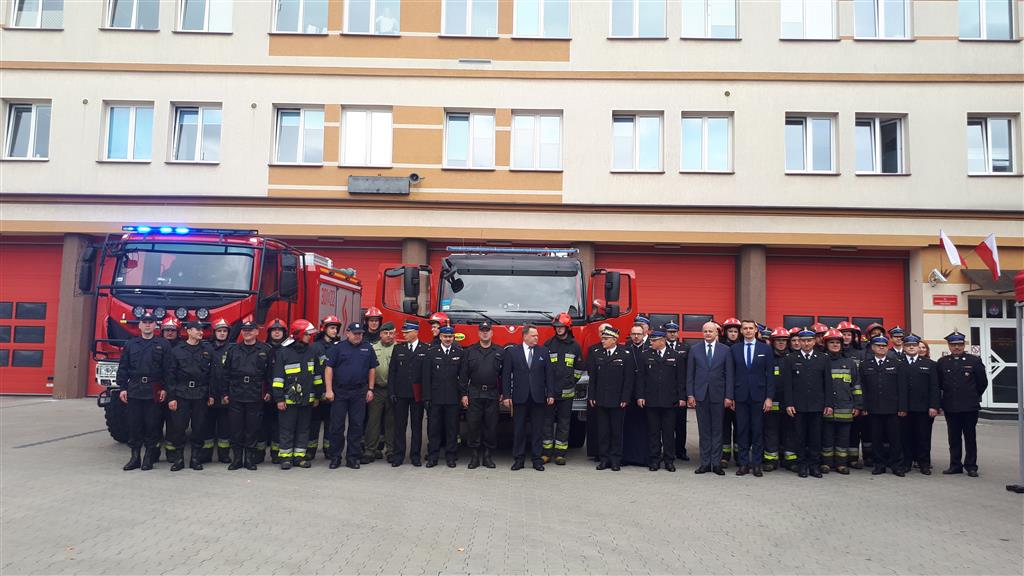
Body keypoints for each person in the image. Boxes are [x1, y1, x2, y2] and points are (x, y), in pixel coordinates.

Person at [116, 311, 171, 471]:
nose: (147, 325)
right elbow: (123, 368)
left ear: (155, 325)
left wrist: (165, 389)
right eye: (144, 322)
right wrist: (122, 388)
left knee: (152, 425)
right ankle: (135, 457)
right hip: (134, 389)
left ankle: (148, 457)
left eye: (151, 322)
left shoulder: (163, 344)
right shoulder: (130, 344)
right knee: (134, 425)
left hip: (154, 389)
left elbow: (168, 369)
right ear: (139, 325)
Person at [221, 318, 273, 470]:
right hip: (236, 393)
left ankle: (249, 459)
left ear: (257, 332)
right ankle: (237, 459)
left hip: (255, 394)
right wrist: (224, 393)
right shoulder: (233, 350)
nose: (247, 333)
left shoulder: (265, 350)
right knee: (235, 428)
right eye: (244, 331)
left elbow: (270, 374)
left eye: (250, 331)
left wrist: (269, 391)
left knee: (252, 428)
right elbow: (225, 374)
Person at [324, 322, 378, 470]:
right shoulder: (338, 348)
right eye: (355, 333)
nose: (358, 336)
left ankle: (353, 458)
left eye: (360, 333)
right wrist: (329, 390)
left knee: (357, 426)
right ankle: (335, 457)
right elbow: (329, 369)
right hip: (340, 392)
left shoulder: (367, 348)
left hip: (359, 392)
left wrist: (371, 389)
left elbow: (372, 369)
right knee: (337, 426)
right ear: (348, 333)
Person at [503, 324, 555, 471]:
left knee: (537, 430)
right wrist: (507, 395)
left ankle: (537, 459)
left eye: (537, 335)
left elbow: (549, 375)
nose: (537, 337)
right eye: (534, 335)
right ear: (525, 336)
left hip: (538, 397)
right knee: (519, 429)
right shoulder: (513, 352)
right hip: (520, 397)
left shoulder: (543, 351)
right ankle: (519, 459)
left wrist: (550, 393)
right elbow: (506, 375)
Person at [272, 319, 323, 470]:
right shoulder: (283, 352)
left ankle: (299, 457)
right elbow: (278, 378)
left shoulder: (312, 350)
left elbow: (317, 376)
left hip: (307, 399)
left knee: (303, 428)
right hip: (289, 400)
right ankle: (286, 458)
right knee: (287, 429)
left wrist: (317, 396)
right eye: (307, 334)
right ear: (299, 334)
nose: (310, 337)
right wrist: (279, 398)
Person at [937, 331, 988, 477]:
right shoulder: (943, 362)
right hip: (951, 406)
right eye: (953, 345)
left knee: (970, 437)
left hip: (969, 406)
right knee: (953, 437)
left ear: (964, 345)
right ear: (949, 346)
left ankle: (971, 466)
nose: (956, 347)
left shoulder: (974, 361)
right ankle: (955, 465)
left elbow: (982, 383)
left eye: (959, 344)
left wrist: (972, 395)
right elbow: (939, 384)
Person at [783, 328, 832, 478]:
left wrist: (828, 404)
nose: (805, 343)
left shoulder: (823, 358)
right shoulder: (790, 358)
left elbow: (828, 384)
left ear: (814, 341)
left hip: (817, 406)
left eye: (809, 340)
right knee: (800, 437)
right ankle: (802, 465)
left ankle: (815, 466)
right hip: (798, 406)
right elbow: (788, 385)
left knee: (815, 437)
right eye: (803, 340)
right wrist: (789, 403)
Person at [165, 321, 214, 472]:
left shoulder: (208, 349)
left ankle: (195, 459)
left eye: (202, 329)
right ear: (188, 331)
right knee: (179, 428)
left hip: (200, 394)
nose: (201, 332)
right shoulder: (177, 350)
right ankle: (179, 459)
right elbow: (170, 375)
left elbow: (213, 375)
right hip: (181, 393)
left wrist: (211, 394)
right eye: (197, 329)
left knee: (199, 427)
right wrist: (171, 397)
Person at [687, 321, 734, 476]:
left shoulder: (725, 350)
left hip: (719, 396)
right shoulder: (694, 349)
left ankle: (716, 463)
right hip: (700, 395)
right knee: (704, 431)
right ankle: (705, 463)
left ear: (716, 333)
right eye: (705, 331)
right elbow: (690, 375)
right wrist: (690, 394)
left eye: (710, 331)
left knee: (717, 430)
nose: (707, 334)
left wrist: (729, 396)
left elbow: (729, 375)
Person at [636, 330, 685, 471]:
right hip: (651, 400)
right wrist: (640, 396)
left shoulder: (676, 356)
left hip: (670, 400)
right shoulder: (645, 355)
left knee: (669, 432)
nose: (650, 343)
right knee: (653, 432)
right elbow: (641, 379)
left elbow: (680, 379)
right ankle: (654, 460)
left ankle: (669, 460)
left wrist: (682, 397)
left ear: (662, 341)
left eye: (653, 340)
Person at [730, 320, 774, 477]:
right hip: (740, 396)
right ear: (741, 331)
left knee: (757, 430)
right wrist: (731, 396)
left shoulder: (766, 349)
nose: (748, 331)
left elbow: (770, 375)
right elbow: (731, 375)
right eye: (745, 328)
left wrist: (769, 397)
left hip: (759, 397)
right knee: (741, 430)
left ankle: (756, 464)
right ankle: (743, 464)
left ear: (756, 330)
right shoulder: (734, 349)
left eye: (751, 328)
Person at [860, 335, 908, 476]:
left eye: (884, 346)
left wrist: (902, 407)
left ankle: (896, 465)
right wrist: (864, 407)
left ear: (887, 347)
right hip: (873, 409)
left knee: (895, 439)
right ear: (873, 348)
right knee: (876, 439)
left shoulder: (897, 364)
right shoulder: (865, 365)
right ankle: (879, 465)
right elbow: (863, 388)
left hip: (893, 409)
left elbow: (902, 388)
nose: (881, 348)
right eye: (878, 346)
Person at [587, 326, 633, 471]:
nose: (603, 341)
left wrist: (625, 397)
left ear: (614, 340)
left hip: (618, 400)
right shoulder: (597, 354)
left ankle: (615, 460)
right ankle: (604, 459)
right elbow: (593, 378)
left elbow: (628, 380)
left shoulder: (625, 354)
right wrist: (592, 395)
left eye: (606, 339)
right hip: (601, 399)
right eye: (602, 338)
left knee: (616, 432)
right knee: (603, 432)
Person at [460, 322, 503, 469]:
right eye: (482, 331)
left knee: (491, 426)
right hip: (474, 393)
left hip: (492, 393)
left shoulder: (499, 351)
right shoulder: (470, 351)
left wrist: (503, 393)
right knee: (473, 426)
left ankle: (487, 456)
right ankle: (474, 457)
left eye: (487, 331)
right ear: (478, 333)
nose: (485, 333)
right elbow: (463, 375)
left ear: (492, 333)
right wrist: (464, 394)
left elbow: (503, 376)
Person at [541, 313, 583, 465]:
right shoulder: (548, 344)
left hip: (567, 393)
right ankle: (546, 453)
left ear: (567, 327)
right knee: (547, 423)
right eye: (557, 327)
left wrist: (571, 382)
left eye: (561, 327)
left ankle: (560, 454)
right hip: (550, 393)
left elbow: (578, 369)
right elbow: (543, 369)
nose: (559, 329)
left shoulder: (575, 346)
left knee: (564, 423)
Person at [821, 329, 862, 475]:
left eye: (837, 342)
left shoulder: (849, 363)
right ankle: (826, 463)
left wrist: (858, 405)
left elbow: (856, 385)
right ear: (826, 344)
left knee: (843, 439)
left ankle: (841, 464)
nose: (835, 345)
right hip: (827, 408)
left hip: (846, 407)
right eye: (831, 342)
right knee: (827, 437)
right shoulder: (821, 361)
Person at [423, 326, 464, 468]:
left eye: (450, 337)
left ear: (453, 338)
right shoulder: (432, 352)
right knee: (434, 428)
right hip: (436, 398)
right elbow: (426, 377)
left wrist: (462, 396)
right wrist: (427, 398)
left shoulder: (459, 352)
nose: (448, 339)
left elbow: (462, 377)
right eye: (445, 337)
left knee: (452, 429)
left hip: (453, 398)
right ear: (440, 337)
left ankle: (451, 456)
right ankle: (433, 456)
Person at [389, 321, 428, 467]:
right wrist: (392, 391)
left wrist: (426, 395)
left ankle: (415, 455)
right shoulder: (398, 349)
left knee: (416, 426)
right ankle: (398, 455)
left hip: (418, 394)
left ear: (416, 332)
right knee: (399, 426)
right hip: (401, 393)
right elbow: (392, 372)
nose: (404, 334)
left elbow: (426, 375)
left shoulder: (425, 348)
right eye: (404, 332)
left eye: (407, 332)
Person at [901, 335, 940, 475]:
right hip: (905, 408)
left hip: (924, 408)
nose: (911, 347)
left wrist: (934, 406)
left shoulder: (929, 364)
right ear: (904, 347)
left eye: (914, 345)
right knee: (906, 437)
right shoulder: (898, 362)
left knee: (923, 437)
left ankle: (924, 464)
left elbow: (934, 387)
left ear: (918, 347)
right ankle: (906, 463)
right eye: (908, 345)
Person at [307, 315, 342, 461]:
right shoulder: (315, 347)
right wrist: (316, 395)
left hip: (334, 392)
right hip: (318, 392)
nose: (334, 331)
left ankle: (329, 449)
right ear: (324, 329)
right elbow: (312, 372)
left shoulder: (339, 346)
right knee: (313, 424)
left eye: (336, 328)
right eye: (331, 328)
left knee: (331, 423)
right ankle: (310, 450)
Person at [364, 322, 396, 463]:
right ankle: (370, 450)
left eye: (391, 333)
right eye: (385, 333)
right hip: (377, 389)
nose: (388, 336)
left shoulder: (398, 348)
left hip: (393, 390)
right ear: (380, 334)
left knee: (391, 422)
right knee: (373, 422)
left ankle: (391, 451)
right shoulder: (372, 348)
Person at [204, 318, 233, 464]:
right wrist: (207, 394)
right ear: (214, 333)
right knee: (207, 426)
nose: (222, 334)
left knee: (225, 427)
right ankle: (206, 455)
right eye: (219, 331)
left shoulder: (233, 349)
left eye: (224, 331)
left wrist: (227, 393)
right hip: (209, 395)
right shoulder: (206, 349)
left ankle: (224, 455)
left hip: (225, 395)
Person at [259, 318, 288, 464]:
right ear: (269, 333)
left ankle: (276, 454)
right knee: (262, 425)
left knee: (279, 425)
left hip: (281, 394)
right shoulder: (262, 349)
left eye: (280, 330)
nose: (277, 332)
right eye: (274, 330)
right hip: (264, 394)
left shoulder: (288, 349)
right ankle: (259, 454)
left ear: (284, 332)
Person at [763, 327, 791, 471]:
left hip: (788, 402)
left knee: (789, 431)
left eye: (784, 341)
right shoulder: (768, 358)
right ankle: (770, 460)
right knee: (771, 431)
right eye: (778, 340)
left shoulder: (792, 357)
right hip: (771, 401)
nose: (781, 343)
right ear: (773, 342)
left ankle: (789, 460)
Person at [622, 323, 650, 466]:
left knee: (644, 427)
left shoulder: (649, 349)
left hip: (645, 393)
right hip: (629, 392)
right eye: (633, 334)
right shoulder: (626, 349)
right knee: (628, 426)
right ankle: (627, 457)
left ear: (644, 334)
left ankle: (644, 458)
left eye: (639, 334)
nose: (636, 336)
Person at [664, 322, 691, 461]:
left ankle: (680, 450)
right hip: (665, 391)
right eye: (669, 331)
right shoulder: (661, 346)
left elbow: (688, 370)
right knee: (667, 424)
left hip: (681, 390)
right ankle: (668, 451)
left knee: (680, 424)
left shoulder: (685, 347)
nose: (672, 334)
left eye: (674, 331)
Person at [718, 317, 742, 468]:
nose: (733, 334)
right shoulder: (720, 347)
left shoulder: (742, 347)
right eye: (730, 331)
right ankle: (724, 456)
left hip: (739, 394)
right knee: (724, 426)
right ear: (725, 332)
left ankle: (739, 455)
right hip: (723, 394)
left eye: (735, 331)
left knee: (740, 427)